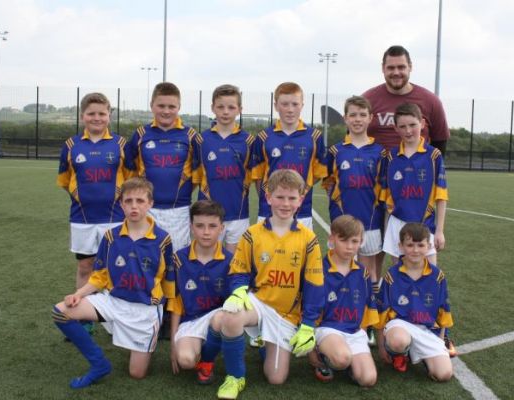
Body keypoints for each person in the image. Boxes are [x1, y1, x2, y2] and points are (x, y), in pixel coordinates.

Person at [51, 177, 173, 388]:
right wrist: (79, 294)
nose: (134, 206)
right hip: (113, 302)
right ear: (121, 204)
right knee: (61, 311)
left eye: (140, 201)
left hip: (144, 311)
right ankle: (99, 364)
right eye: (128, 201)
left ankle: (142, 344)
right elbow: (100, 276)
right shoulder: (110, 236)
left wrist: (170, 320)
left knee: (137, 374)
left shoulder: (163, 239)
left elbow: (169, 282)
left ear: (150, 204)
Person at [216, 169, 324, 399]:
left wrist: (308, 324)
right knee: (230, 317)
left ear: (301, 200)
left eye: (292, 198)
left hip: (286, 314)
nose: (285, 203)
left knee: (276, 378)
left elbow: (314, 285)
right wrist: (238, 292)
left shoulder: (309, 239)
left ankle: (266, 342)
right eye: (280, 197)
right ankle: (235, 376)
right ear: (268, 197)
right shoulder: (252, 234)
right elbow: (239, 270)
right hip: (259, 302)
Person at [57, 92, 130, 333]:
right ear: (82, 116)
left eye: (102, 113)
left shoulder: (121, 144)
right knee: (85, 267)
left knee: (115, 267)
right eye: (91, 113)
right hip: (83, 219)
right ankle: (84, 318)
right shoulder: (71, 145)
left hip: (115, 218)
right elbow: (65, 181)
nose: (97, 118)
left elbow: (130, 179)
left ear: (109, 115)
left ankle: (116, 317)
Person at [375, 222, 453, 381]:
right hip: (400, 326)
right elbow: (382, 312)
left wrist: (439, 342)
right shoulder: (392, 275)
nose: (415, 250)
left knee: (444, 374)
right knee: (398, 341)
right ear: (401, 246)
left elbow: (443, 310)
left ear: (429, 246)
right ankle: (400, 353)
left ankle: (419, 354)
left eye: (420, 245)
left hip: (427, 329)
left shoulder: (437, 276)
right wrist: (381, 346)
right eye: (410, 245)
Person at [125, 82, 197, 252]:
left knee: (176, 258)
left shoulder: (190, 135)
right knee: (146, 257)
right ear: (152, 105)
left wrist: (182, 191)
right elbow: (129, 170)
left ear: (179, 107)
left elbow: (198, 172)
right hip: (146, 208)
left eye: (171, 106)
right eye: (161, 106)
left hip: (179, 210)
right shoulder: (141, 134)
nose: (166, 111)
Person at [166, 200, 231, 384]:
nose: (206, 232)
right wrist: (173, 343)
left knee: (223, 316)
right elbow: (175, 303)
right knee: (186, 360)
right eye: (200, 226)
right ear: (191, 227)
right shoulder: (179, 259)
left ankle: (208, 359)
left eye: (212, 226)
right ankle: (200, 350)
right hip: (191, 321)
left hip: (218, 320)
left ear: (222, 228)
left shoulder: (231, 261)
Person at [309, 215, 378, 387]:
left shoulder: (363, 272)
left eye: (354, 241)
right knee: (342, 358)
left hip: (353, 331)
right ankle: (323, 357)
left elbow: (367, 309)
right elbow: (308, 309)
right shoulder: (319, 269)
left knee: (368, 379)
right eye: (343, 240)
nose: (349, 247)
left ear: (361, 242)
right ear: (332, 239)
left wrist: (363, 335)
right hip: (327, 329)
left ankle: (349, 363)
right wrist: (310, 350)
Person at [323, 95, 386, 283]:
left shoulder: (380, 152)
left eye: (362, 115)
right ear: (345, 118)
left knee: (369, 271)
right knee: (340, 268)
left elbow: (384, 187)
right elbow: (328, 183)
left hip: (371, 221)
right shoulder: (336, 151)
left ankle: (370, 302)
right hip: (341, 219)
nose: (357, 119)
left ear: (370, 118)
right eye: (353, 115)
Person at [250, 82, 327, 230]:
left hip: (302, 212)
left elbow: (317, 174)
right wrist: (271, 198)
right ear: (276, 106)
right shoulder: (264, 137)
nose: (290, 109)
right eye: (285, 104)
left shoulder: (315, 137)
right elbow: (258, 176)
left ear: (302, 105)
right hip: (268, 211)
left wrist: (300, 191)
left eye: (295, 104)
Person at [381, 103, 448, 265]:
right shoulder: (391, 157)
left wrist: (440, 231)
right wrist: (387, 227)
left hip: (425, 223)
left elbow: (441, 196)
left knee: (429, 272)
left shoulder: (434, 156)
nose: (408, 130)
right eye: (402, 126)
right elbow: (385, 196)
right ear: (396, 128)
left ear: (422, 123)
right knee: (400, 273)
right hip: (397, 223)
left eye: (412, 125)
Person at [192, 84, 255, 253]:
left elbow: (254, 175)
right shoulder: (200, 140)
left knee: (235, 262)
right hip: (208, 214)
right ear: (213, 108)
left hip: (238, 214)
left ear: (240, 109)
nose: (225, 112)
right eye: (220, 107)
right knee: (208, 259)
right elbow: (195, 176)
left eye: (231, 107)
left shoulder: (249, 141)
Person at [362, 45, 450, 154]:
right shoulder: (366, 100)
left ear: (410, 67)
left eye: (401, 67)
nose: (396, 72)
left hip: (417, 165)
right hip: (375, 165)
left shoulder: (431, 101)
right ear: (383, 68)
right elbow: (353, 135)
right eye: (391, 68)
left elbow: (440, 143)